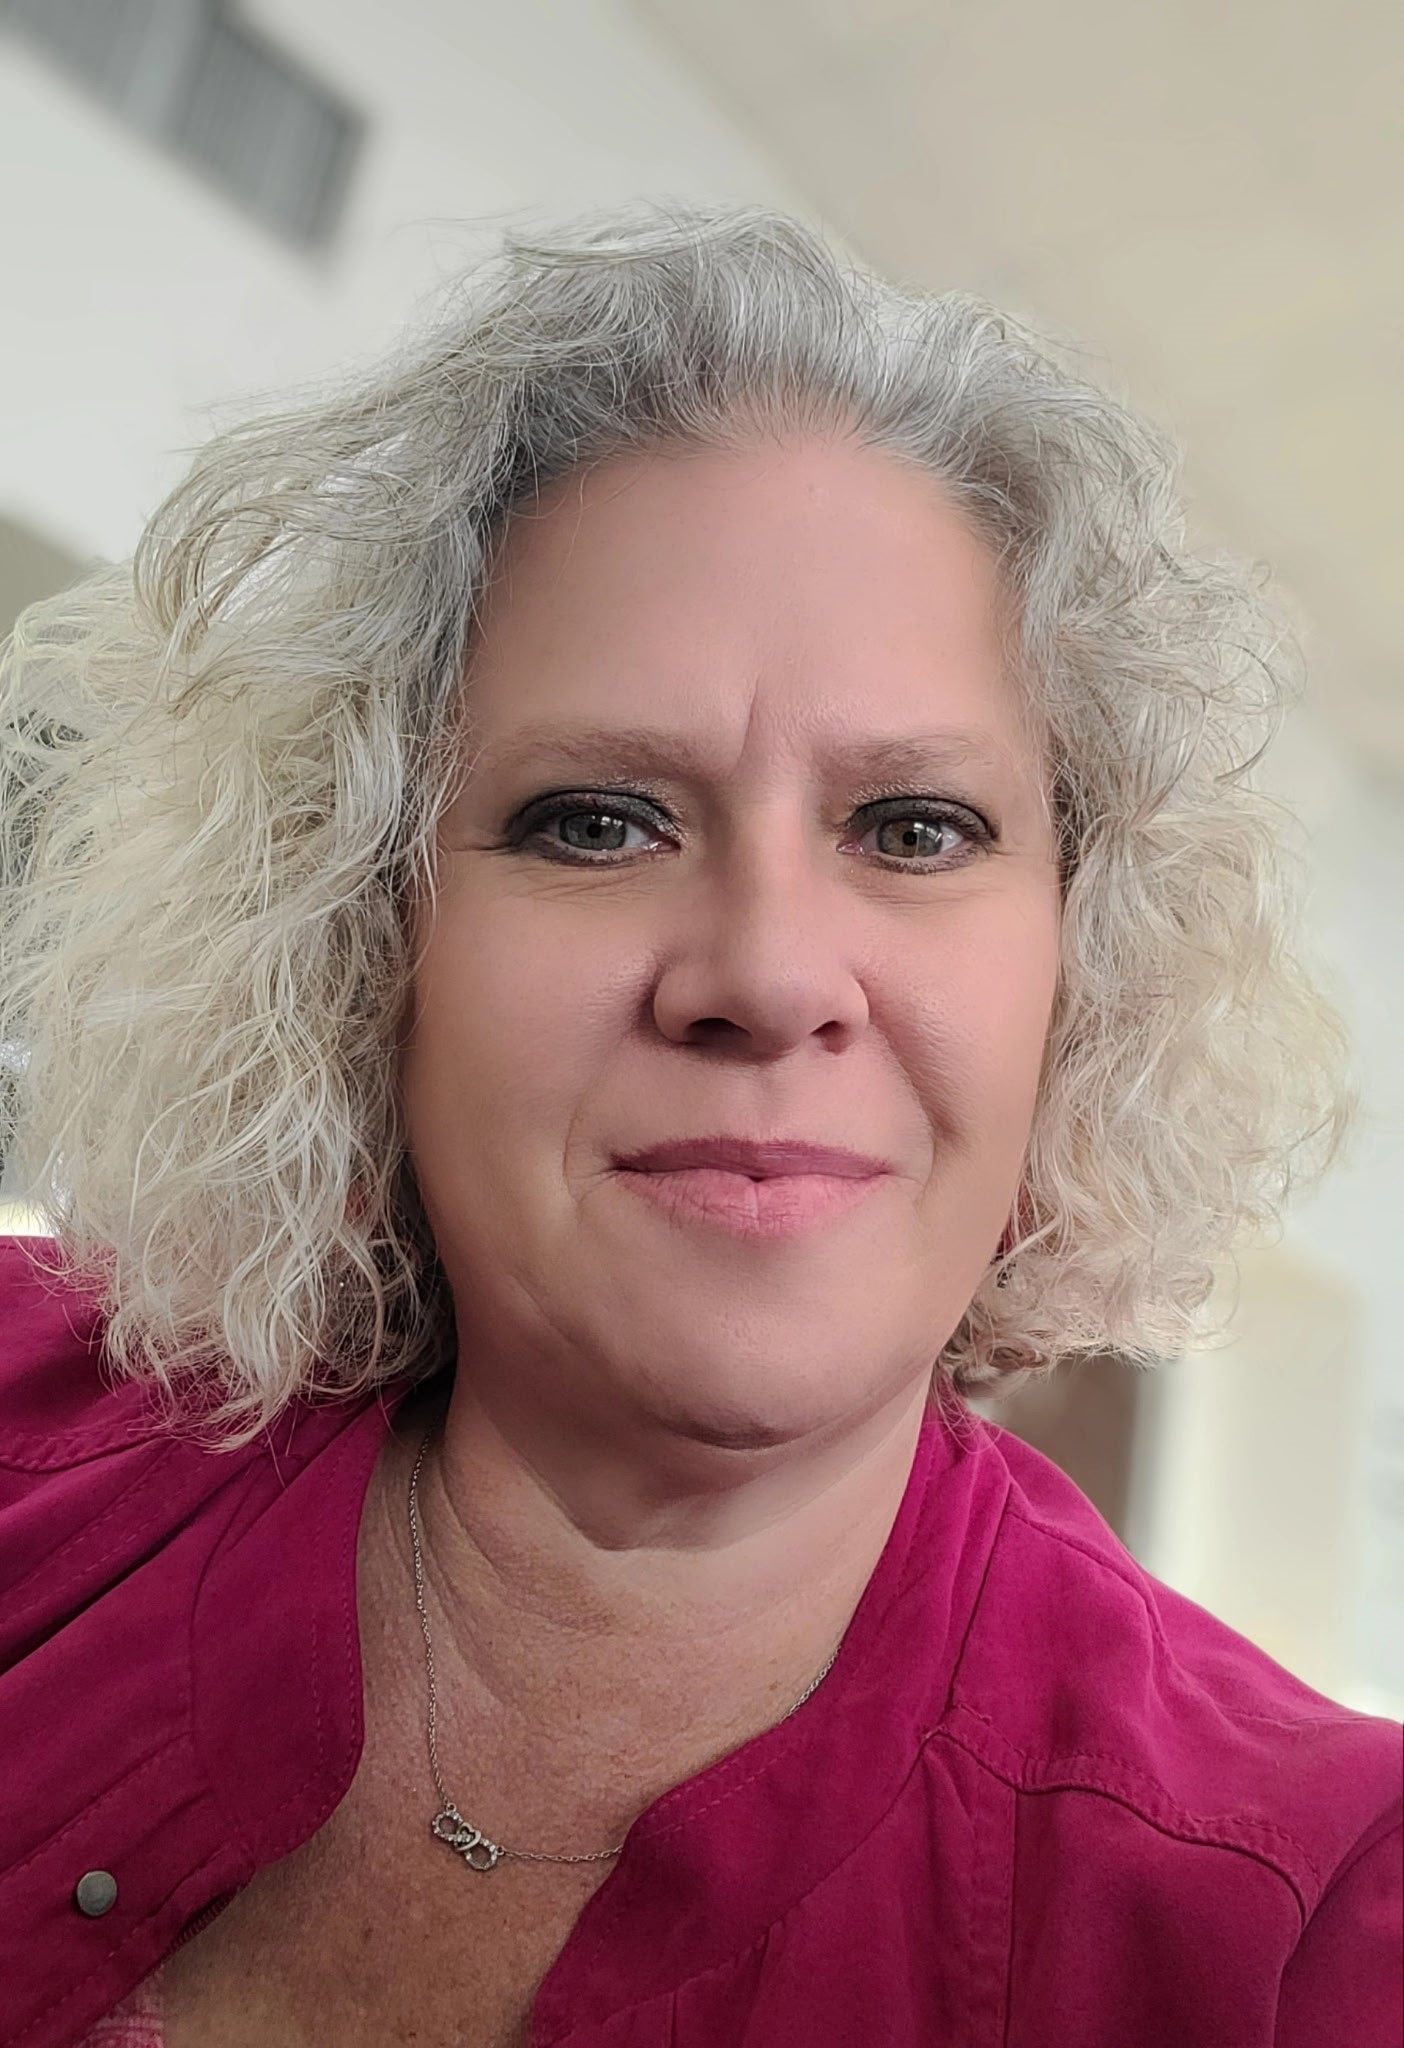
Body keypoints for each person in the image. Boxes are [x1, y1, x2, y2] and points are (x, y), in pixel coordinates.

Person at [1, 201, 1398, 2048]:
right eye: (597, 821)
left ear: (1087, 965)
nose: (766, 972)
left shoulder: (1312, 1933)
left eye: (915, 828)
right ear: (360, 936)